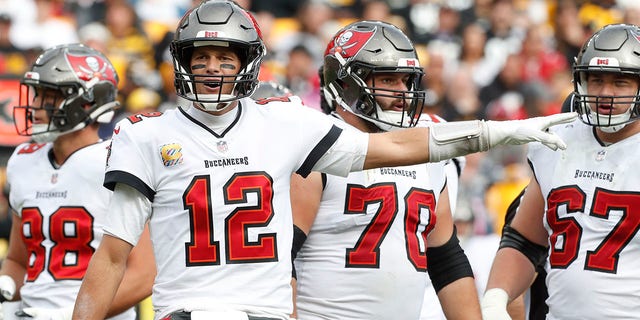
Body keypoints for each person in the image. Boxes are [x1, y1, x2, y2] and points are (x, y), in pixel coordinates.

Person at [72, 2, 577, 320]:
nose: (213, 69)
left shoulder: (290, 124)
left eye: (227, 57)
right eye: (385, 80)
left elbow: (441, 249)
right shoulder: (157, 134)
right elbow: (116, 255)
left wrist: (497, 133)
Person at [291, 20, 478, 320]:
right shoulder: (318, 146)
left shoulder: (426, 153)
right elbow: (279, 257)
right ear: (347, 84)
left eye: (406, 81)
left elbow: (446, 259)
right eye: (389, 80)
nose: (403, 92)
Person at [481, 23, 640, 320]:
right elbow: (525, 239)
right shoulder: (559, 138)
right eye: (596, 79)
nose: (605, 93)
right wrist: (495, 298)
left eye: (621, 82)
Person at [2, 44, 155, 320]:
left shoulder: (116, 161)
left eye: (50, 96)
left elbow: (143, 274)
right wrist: (6, 286)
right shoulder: (23, 161)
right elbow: (17, 260)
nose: (35, 106)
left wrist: (76, 316)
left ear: (87, 103)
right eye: (37, 94)